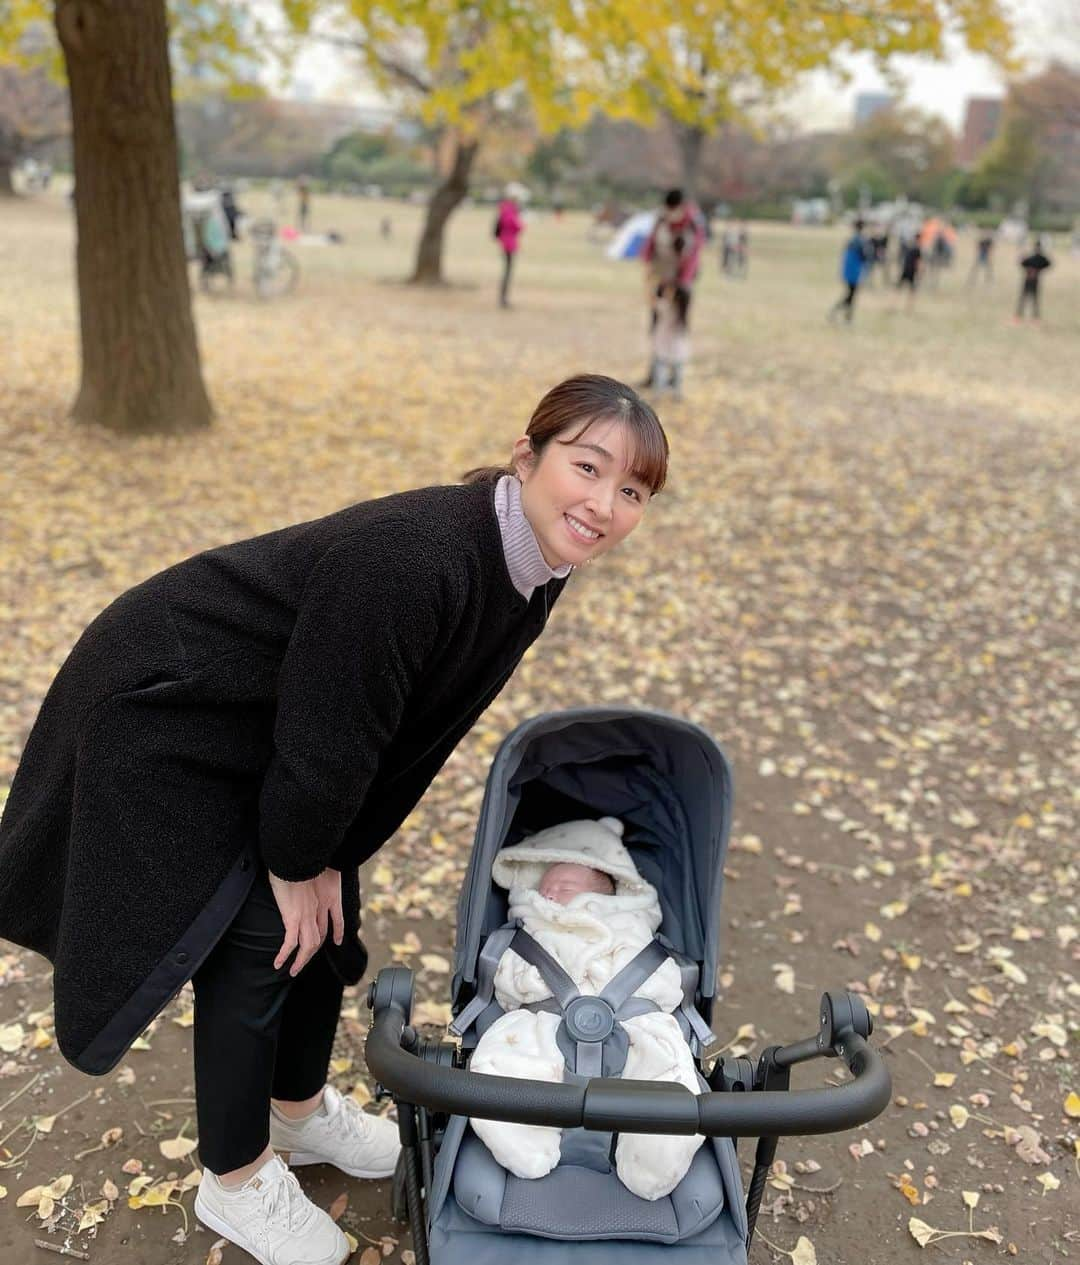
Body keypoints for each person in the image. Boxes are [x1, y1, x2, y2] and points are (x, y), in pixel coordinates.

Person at [0, 375, 669, 1265]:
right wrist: (295, 855)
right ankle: (234, 1181)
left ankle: (298, 1111)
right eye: (587, 467)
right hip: (169, 702)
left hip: (278, 723)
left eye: (631, 490)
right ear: (527, 455)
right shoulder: (416, 558)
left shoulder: (535, 564)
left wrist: (329, 851)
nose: (604, 502)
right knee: (264, 928)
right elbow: (332, 734)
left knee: (326, 903)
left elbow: (400, 733)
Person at [469, 818, 705, 1202]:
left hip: (634, 1023)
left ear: (607, 892)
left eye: (564, 885)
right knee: (499, 1060)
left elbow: (665, 981)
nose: (549, 891)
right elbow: (507, 979)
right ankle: (523, 1141)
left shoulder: (627, 925)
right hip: (543, 1019)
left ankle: (653, 1162)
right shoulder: (531, 931)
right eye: (544, 885)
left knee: (669, 1072)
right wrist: (528, 980)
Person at [640, 188, 706, 390]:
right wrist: (649, 265)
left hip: (680, 285)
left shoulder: (693, 224)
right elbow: (650, 245)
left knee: (676, 327)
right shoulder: (661, 220)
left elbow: (693, 256)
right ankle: (655, 374)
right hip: (660, 279)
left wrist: (681, 283)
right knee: (657, 325)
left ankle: (674, 378)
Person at [828, 219, 868, 323]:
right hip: (854, 272)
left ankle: (847, 316)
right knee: (851, 295)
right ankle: (840, 314)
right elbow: (864, 257)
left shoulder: (851, 240)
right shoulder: (860, 241)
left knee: (851, 295)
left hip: (848, 271)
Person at [494, 190, 525, 308]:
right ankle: (503, 298)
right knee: (507, 271)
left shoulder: (504, 209)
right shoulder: (509, 210)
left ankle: (504, 297)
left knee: (507, 270)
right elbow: (517, 225)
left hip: (505, 242)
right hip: (508, 243)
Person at [1013, 238, 1052, 323]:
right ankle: (1030, 317)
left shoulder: (1032, 258)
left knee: (1027, 298)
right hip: (1033, 280)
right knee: (1030, 299)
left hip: (1030, 280)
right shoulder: (1040, 258)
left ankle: (1028, 317)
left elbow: (1022, 263)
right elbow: (1048, 263)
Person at [896, 236, 922, 309]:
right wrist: (920, 272)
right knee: (912, 290)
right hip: (911, 271)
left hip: (905, 270)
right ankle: (909, 306)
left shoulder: (908, 247)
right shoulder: (917, 249)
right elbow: (918, 262)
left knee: (899, 288)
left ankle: (895, 304)